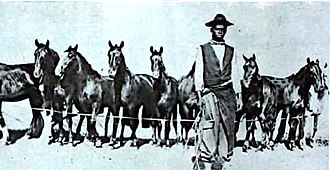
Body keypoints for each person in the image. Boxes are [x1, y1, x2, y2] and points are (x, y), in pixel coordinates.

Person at [192, 13, 242, 170]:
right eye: (217, 29)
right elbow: (198, 73)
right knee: (209, 125)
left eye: (222, 29)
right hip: (209, 92)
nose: (220, 31)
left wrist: (238, 95)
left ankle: (221, 158)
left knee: (227, 125)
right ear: (212, 30)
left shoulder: (231, 51)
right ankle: (206, 155)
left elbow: (235, 73)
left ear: (225, 30)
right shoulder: (202, 49)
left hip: (227, 93)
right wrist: (200, 93)